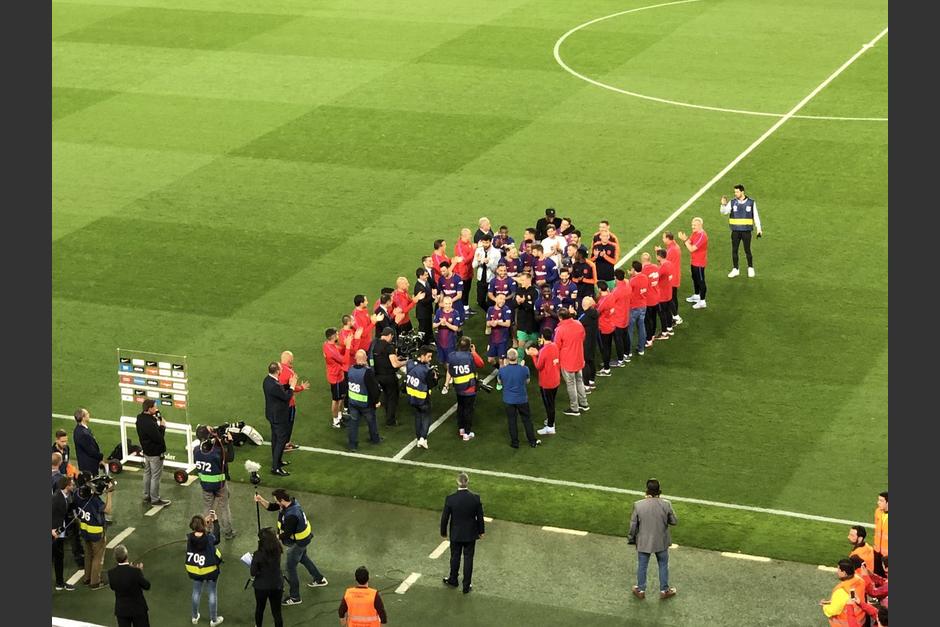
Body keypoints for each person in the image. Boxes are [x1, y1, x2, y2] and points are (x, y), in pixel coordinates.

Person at [254, 489, 328, 605]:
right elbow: (271, 507)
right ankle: (319, 579)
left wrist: (270, 538)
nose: (276, 503)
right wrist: (260, 500)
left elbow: (287, 534)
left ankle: (295, 597)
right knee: (303, 558)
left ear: (282, 500)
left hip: (297, 543)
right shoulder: (291, 504)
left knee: (290, 568)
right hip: (303, 540)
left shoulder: (291, 515)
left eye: (277, 501)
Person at [628, 478, 678, 600]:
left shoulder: (638, 505)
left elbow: (633, 525)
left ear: (647, 490)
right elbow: (674, 521)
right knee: (663, 565)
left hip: (644, 542)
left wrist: (631, 538)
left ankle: (640, 590)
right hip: (661, 541)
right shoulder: (666, 504)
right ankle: (664, 590)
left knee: (642, 566)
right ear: (659, 491)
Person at [441, 472, 486, 594]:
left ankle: (453, 579)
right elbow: (480, 517)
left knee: (455, 557)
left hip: (456, 534)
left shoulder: (450, 498)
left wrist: (443, 532)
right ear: (467, 482)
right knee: (468, 559)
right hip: (470, 534)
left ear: (457, 482)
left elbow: (445, 517)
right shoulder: (475, 498)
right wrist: (481, 531)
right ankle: (466, 586)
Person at [194, 425, 236, 539]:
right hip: (219, 484)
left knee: (207, 508)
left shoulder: (196, 450)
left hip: (205, 485)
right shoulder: (217, 451)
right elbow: (230, 457)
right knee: (224, 508)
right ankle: (228, 532)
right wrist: (230, 442)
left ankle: (207, 530)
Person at [75, 471, 114, 589]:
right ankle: (95, 582)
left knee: (88, 554)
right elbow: (107, 510)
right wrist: (109, 494)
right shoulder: (94, 500)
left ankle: (87, 578)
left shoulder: (77, 494)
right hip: (96, 532)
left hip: (84, 529)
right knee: (97, 556)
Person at [186, 513, 224, 626]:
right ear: (203, 525)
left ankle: (194, 617)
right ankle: (213, 620)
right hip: (210, 570)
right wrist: (215, 522)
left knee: (196, 592)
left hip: (195, 570)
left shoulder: (189, 537)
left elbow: (197, 534)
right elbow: (216, 538)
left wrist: (203, 525)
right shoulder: (209, 538)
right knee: (212, 593)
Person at [444, 337, 485, 441]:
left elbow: (449, 369)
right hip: (469, 388)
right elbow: (481, 364)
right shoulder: (470, 356)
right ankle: (467, 432)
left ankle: (461, 428)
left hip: (458, 387)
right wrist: (474, 352)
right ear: (469, 346)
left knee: (460, 407)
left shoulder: (452, 356)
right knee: (468, 410)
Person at [498, 349, 541, 449]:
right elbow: (527, 381)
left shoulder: (502, 370)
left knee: (512, 421)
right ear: (517, 358)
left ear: (507, 359)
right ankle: (532, 441)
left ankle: (515, 443)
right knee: (527, 420)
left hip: (509, 400)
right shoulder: (524, 369)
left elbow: (500, 383)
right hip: (522, 399)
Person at [720, 184, 763, 277]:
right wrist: (723, 205)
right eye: (735, 192)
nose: (735, 193)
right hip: (735, 231)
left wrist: (759, 228)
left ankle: (750, 268)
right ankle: (735, 269)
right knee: (734, 250)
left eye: (737, 192)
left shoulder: (751, 202)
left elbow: (755, 216)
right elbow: (724, 212)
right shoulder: (732, 202)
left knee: (747, 250)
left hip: (746, 231)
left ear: (742, 192)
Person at [263, 361, 297, 476]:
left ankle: (277, 461)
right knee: (281, 441)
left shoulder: (267, 380)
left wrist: (288, 385)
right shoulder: (274, 385)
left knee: (275, 439)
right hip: (279, 417)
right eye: (281, 368)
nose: (282, 369)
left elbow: (280, 390)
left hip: (272, 415)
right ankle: (275, 467)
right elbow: (286, 397)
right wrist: (292, 385)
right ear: (277, 371)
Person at [135, 399, 171, 507]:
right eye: (154, 407)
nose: (156, 409)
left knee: (147, 473)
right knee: (155, 476)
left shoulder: (140, 418)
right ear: (149, 408)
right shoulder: (150, 423)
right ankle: (155, 499)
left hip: (146, 451)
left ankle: (147, 495)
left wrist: (157, 418)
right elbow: (159, 438)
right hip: (155, 453)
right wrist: (162, 426)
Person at [555, 309, 589, 417]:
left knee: (571, 384)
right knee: (579, 380)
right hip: (579, 358)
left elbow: (556, 346)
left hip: (567, 361)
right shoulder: (578, 324)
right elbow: (583, 337)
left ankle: (574, 408)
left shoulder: (560, 329)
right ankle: (584, 403)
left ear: (560, 317)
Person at [347, 350, 383, 451]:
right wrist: (376, 401)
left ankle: (352, 445)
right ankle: (375, 439)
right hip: (365, 404)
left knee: (353, 424)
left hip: (353, 402)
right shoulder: (367, 372)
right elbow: (374, 390)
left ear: (355, 358)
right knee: (371, 421)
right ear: (365, 358)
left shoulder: (350, 370)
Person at [527, 328, 561, 435]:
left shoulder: (544, 350)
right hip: (555, 379)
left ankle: (550, 427)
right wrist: (538, 354)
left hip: (547, 382)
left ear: (542, 337)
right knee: (551, 403)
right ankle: (550, 421)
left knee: (549, 404)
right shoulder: (555, 346)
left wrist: (533, 355)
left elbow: (538, 366)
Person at [109, 544, 151, 627]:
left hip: (122, 610)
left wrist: (133, 571)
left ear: (116, 558)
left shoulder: (111, 573)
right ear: (126, 556)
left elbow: (113, 587)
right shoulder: (135, 572)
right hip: (138, 609)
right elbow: (147, 586)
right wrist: (139, 572)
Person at [372, 327, 406, 428]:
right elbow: (395, 364)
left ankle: (387, 413)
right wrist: (406, 362)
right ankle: (390, 421)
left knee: (386, 396)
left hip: (378, 376)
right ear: (390, 335)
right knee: (392, 398)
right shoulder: (389, 347)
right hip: (389, 377)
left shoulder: (375, 344)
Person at [251, 527, 285, 627]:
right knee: (277, 612)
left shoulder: (258, 554)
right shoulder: (278, 551)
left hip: (261, 586)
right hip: (276, 584)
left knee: (260, 609)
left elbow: (253, 572)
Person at [406, 346, 438, 449]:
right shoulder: (426, 370)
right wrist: (435, 378)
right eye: (428, 356)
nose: (430, 359)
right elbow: (431, 384)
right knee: (426, 417)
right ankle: (423, 438)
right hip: (423, 398)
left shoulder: (410, 363)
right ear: (422, 355)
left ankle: (419, 437)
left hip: (412, 397)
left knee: (417, 417)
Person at [278, 351, 310, 453]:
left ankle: (283, 442)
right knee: (289, 423)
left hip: (278, 402)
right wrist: (302, 387)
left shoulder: (277, 369)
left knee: (281, 423)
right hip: (289, 403)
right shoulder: (289, 372)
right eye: (292, 359)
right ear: (289, 360)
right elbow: (292, 387)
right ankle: (285, 444)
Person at [819, 559, 865, 626]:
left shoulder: (841, 591)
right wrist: (831, 602)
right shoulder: (860, 580)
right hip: (860, 620)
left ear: (844, 573)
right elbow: (851, 599)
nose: (837, 572)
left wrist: (825, 606)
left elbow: (833, 610)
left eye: (838, 570)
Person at [326, 326, 356, 429]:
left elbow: (338, 349)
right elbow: (344, 361)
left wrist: (345, 345)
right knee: (336, 400)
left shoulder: (328, 345)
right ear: (333, 336)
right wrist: (347, 346)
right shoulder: (331, 350)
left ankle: (339, 416)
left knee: (341, 397)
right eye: (337, 334)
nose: (338, 335)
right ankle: (336, 421)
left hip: (339, 375)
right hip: (335, 378)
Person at [52, 475, 77, 591]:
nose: (74, 486)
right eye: (72, 484)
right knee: (56, 557)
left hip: (59, 532)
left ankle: (60, 582)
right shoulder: (56, 498)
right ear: (67, 486)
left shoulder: (67, 495)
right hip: (54, 533)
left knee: (59, 557)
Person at [679, 217, 708, 309]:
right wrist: (685, 239)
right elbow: (690, 242)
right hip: (694, 261)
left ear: (700, 225)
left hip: (699, 262)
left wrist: (684, 240)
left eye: (694, 225)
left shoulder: (702, 236)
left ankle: (702, 301)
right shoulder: (695, 233)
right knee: (695, 278)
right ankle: (697, 295)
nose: (692, 227)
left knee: (701, 281)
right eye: (692, 225)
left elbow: (691, 248)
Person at [657, 232, 683, 325]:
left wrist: (659, 253)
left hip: (671, 278)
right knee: (673, 297)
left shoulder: (671, 250)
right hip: (675, 275)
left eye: (664, 238)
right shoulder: (674, 246)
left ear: (668, 238)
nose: (663, 239)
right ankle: (675, 315)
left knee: (670, 298)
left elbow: (663, 261)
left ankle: (676, 316)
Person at [473, 234, 502, 314]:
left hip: (491, 280)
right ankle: (490, 313)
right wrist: (479, 261)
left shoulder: (496, 252)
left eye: (487, 242)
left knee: (491, 301)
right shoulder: (478, 250)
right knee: (480, 301)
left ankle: (493, 316)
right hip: (481, 279)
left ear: (491, 241)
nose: (485, 245)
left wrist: (488, 262)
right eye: (483, 242)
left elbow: (495, 269)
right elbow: (473, 265)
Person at [486, 293, 513, 379]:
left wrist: (498, 322)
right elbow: (487, 322)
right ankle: (501, 369)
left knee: (501, 360)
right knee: (490, 359)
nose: (502, 301)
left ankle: (500, 379)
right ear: (495, 299)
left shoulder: (506, 309)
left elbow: (508, 324)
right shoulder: (490, 309)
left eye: (504, 299)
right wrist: (491, 323)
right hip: (492, 339)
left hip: (503, 340)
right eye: (500, 299)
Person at [433, 295, 465, 366]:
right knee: (441, 361)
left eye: (449, 303)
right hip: (440, 340)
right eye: (446, 304)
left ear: (452, 303)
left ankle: (450, 373)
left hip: (450, 341)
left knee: (450, 362)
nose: (448, 305)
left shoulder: (455, 313)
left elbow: (456, 328)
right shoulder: (439, 312)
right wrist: (439, 323)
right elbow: (433, 325)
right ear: (443, 304)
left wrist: (446, 323)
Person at [627, 261, 649, 357]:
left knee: (630, 329)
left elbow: (628, 291)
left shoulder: (633, 280)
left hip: (634, 307)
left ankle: (629, 351)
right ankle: (641, 349)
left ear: (634, 269)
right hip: (643, 306)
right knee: (641, 327)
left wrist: (631, 276)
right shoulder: (645, 277)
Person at [73, 407, 105, 475]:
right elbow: (91, 451)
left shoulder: (80, 429)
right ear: (83, 418)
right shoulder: (83, 433)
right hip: (89, 466)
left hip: (88, 464)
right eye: (87, 414)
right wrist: (100, 457)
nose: (89, 414)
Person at [611, 268, 632, 364]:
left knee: (618, 339)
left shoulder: (616, 291)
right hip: (626, 316)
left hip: (618, 318)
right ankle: (627, 354)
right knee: (625, 336)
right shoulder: (628, 286)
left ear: (615, 278)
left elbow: (610, 302)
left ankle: (620, 360)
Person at [595, 282, 617, 376]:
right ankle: (606, 363)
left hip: (604, 327)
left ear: (600, 289)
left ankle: (606, 369)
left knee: (605, 348)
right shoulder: (611, 296)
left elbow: (597, 312)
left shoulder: (603, 301)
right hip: (611, 324)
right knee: (608, 346)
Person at [513, 272, 539, 348]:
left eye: (523, 280)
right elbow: (513, 305)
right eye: (520, 280)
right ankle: (519, 359)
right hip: (521, 321)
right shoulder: (519, 290)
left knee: (535, 343)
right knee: (521, 344)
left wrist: (523, 302)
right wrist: (518, 302)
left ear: (529, 280)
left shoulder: (535, 291)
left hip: (532, 321)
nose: (521, 282)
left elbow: (534, 306)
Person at [578, 296, 599, 388]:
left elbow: (577, 324)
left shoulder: (584, 317)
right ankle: (591, 380)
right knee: (591, 360)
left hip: (585, 342)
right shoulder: (595, 313)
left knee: (585, 362)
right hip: (593, 340)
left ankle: (586, 384)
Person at [454, 228, 476, 313]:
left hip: (469, 272)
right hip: (462, 274)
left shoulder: (468, 243)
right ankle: (460, 311)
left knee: (467, 291)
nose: (471, 236)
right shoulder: (459, 246)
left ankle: (466, 308)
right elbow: (465, 260)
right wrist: (473, 250)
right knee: (462, 293)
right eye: (470, 234)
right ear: (465, 235)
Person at [655, 248, 675, 337]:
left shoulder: (662, 268)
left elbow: (656, 277)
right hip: (669, 293)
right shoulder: (669, 264)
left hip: (662, 295)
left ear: (659, 257)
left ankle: (664, 333)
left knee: (662, 313)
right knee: (668, 311)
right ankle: (670, 328)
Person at [414, 266, 436, 341]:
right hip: (422, 313)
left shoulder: (425, 282)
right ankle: (424, 346)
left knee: (429, 328)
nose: (427, 276)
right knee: (424, 330)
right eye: (426, 275)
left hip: (427, 311)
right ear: (420, 276)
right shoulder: (418, 287)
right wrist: (433, 297)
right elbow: (423, 302)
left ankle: (431, 341)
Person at [873, 491, 888, 576]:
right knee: (877, 577)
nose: (878, 502)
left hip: (887, 555)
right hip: (877, 551)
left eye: (881, 500)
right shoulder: (878, 512)